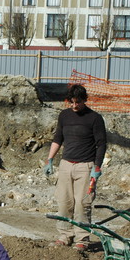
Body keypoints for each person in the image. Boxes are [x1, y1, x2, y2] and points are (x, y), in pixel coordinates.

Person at [43, 84, 107, 251]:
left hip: (85, 167)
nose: (74, 105)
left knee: (82, 204)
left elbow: (101, 144)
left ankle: (82, 239)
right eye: (71, 102)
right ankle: (65, 235)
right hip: (66, 165)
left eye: (77, 102)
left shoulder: (94, 118)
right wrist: (50, 159)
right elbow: (58, 138)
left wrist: (97, 167)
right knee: (64, 202)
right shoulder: (64, 116)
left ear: (84, 100)